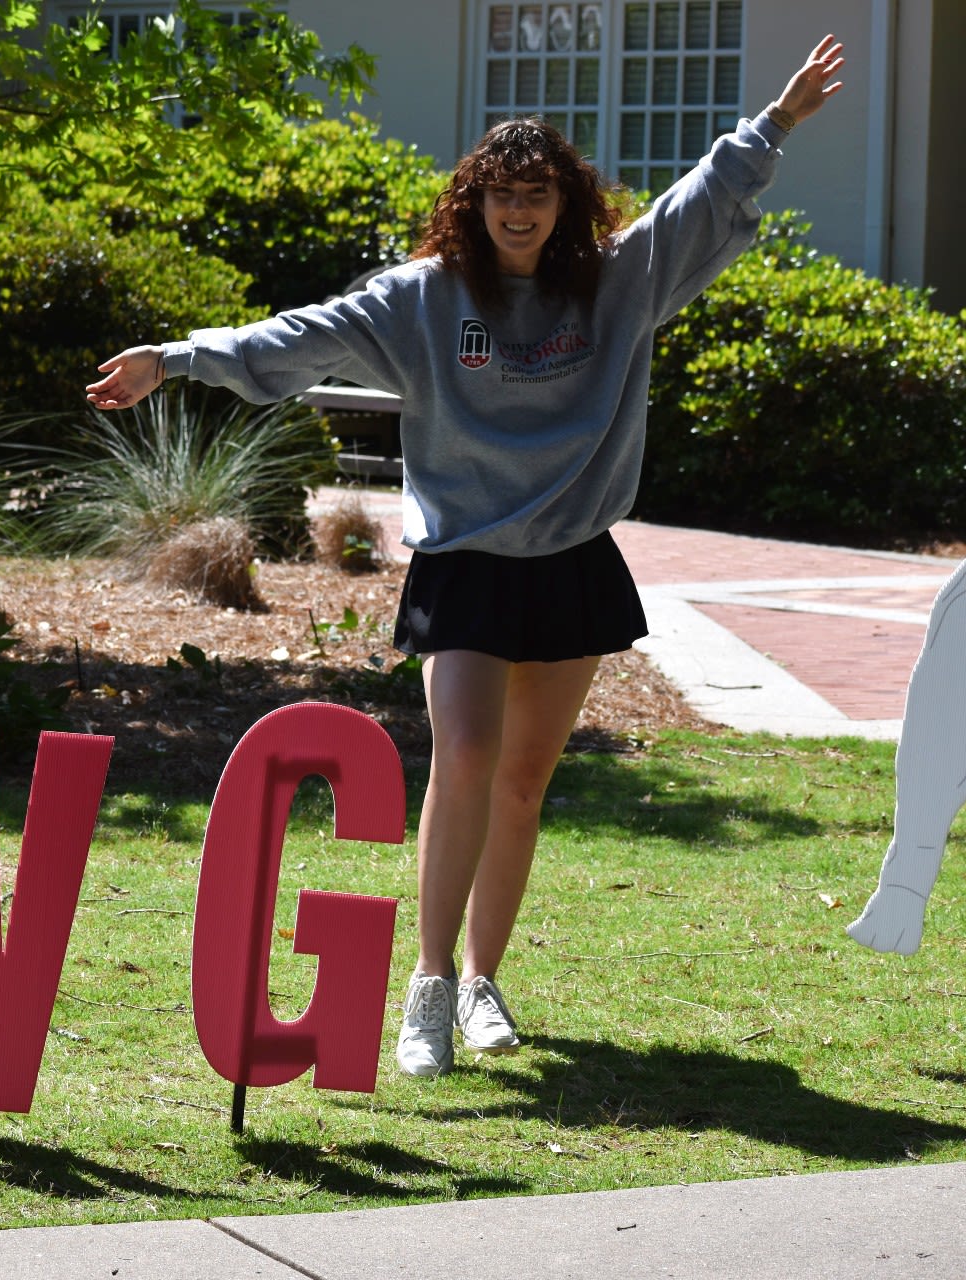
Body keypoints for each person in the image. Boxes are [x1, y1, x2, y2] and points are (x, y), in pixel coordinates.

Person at [86, 36, 847, 1078]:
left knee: (527, 781)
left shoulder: (617, 285)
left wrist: (780, 120)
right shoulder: (425, 298)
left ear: (565, 203)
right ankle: (430, 982)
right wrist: (174, 358)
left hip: (572, 556)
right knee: (468, 753)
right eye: (501, 194)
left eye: (538, 193)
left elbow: (694, 204)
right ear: (474, 203)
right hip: (469, 564)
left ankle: (487, 978)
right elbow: (300, 336)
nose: (520, 211)